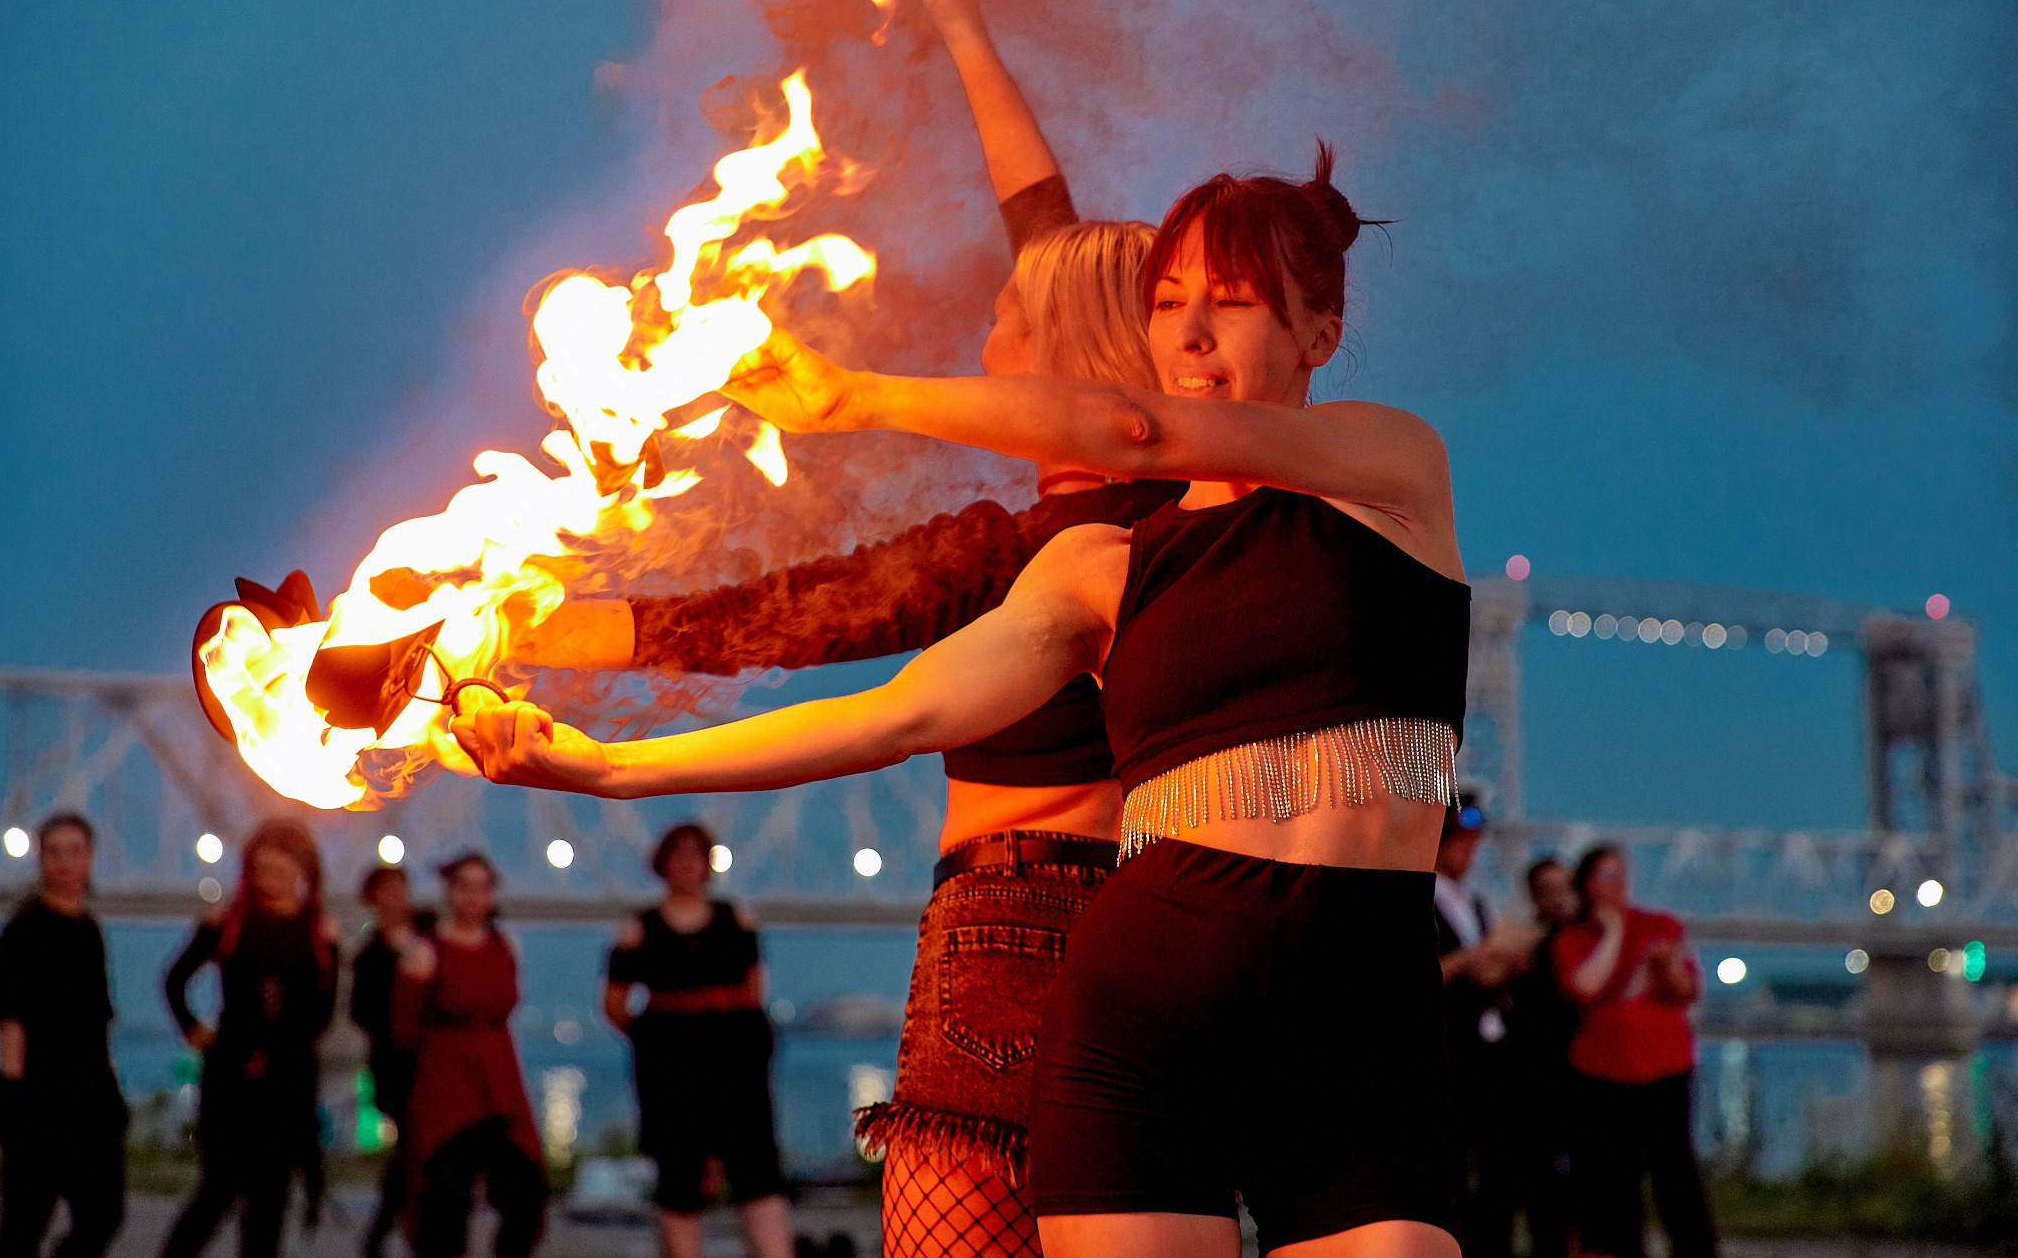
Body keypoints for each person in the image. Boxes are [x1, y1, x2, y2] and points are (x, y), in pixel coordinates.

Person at [456, 141, 1472, 1258]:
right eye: (1166, 303)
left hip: (1360, 1017)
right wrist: (600, 768)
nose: (1185, 336)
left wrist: (854, 397)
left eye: (1228, 306)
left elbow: (1134, 429)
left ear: (1317, 336)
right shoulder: (1098, 563)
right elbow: (898, 714)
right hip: (1144, 1012)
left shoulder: (1390, 471)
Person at [507, 0, 1172, 1256]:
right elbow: (1050, 234)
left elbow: (772, 635)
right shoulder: (1180, 525)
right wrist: (960, 17)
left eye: (1006, 326)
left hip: (1003, 942)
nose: (983, 335)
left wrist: (532, 647)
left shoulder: (1012, 558)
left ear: (1053, 371)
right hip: (1147, 948)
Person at [605, 824, 791, 1258]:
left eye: (695, 855)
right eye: (678, 855)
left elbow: (754, 988)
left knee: (757, 1172)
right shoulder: (639, 928)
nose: (687, 864)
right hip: (671, 1068)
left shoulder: (736, 918)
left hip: (736, 1061)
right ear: (663, 864)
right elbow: (614, 1005)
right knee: (678, 1177)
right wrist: (657, 1040)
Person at [162, 819, 340, 1258]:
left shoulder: (318, 930)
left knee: (270, 1200)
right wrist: (194, 1029)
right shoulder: (230, 920)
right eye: (261, 871)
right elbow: (174, 980)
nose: (270, 881)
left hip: (289, 1080)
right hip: (231, 1075)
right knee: (218, 1189)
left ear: (301, 873)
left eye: (281, 872)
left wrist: (332, 956)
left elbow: (321, 1016)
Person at [1553, 847, 1717, 1258]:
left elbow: (1687, 990)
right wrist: (1612, 936)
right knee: (1613, 1181)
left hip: (1664, 1068)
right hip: (1601, 1073)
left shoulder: (1659, 925)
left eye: (1621, 875)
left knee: (1675, 1174)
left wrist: (1663, 969)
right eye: (1606, 876)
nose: (1617, 885)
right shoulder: (1574, 938)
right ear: (1587, 883)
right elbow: (1585, 987)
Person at [392, 853, 547, 1258]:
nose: (474, 897)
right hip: (447, 1085)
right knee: (445, 1201)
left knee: (526, 1190)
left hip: (499, 1080)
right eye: (465, 887)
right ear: (450, 891)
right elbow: (402, 1031)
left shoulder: (504, 944)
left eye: (483, 887)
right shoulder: (426, 953)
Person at [0, 813, 127, 1258]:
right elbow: (10, 1018)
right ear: (41, 860)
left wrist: (111, 1086)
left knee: (103, 1215)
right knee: (23, 1226)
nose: (65, 863)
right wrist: (12, 1092)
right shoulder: (23, 930)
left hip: (90, 1096)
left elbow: (97, 1020)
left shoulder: (89, 929)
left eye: (75, 852)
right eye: (54, 853)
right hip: (38, 1098)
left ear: (90, 859)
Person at [1433, 803, 1539, 1258]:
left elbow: (1493, 967)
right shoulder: (1424, 899)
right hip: (1447, 1054)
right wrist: (1474, 960)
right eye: (1460, 840)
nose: (1469, 851)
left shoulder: (1478, 903)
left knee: (1502, 1167)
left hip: (1492, 1053)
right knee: (1450, 1167)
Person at [350, 866, 434, 1258]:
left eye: (401, 889)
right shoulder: (371, 955)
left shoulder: (430, 933)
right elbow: (361, 1011)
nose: (397, 898)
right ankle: (395, 1232)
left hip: (436, 1060)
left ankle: (389, 1233)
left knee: (420, 1151)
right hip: (396, 1064)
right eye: (388, 891)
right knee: (411, 1150)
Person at [1510, 858, 1583, 1258]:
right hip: (1539, 1090)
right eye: (1547, 889)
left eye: (1564, 887)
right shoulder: (1527, 947)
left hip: (1586, 1083)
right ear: (1534, 896)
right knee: (1546, 1203)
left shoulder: (1585, 944)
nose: (1557, 897)